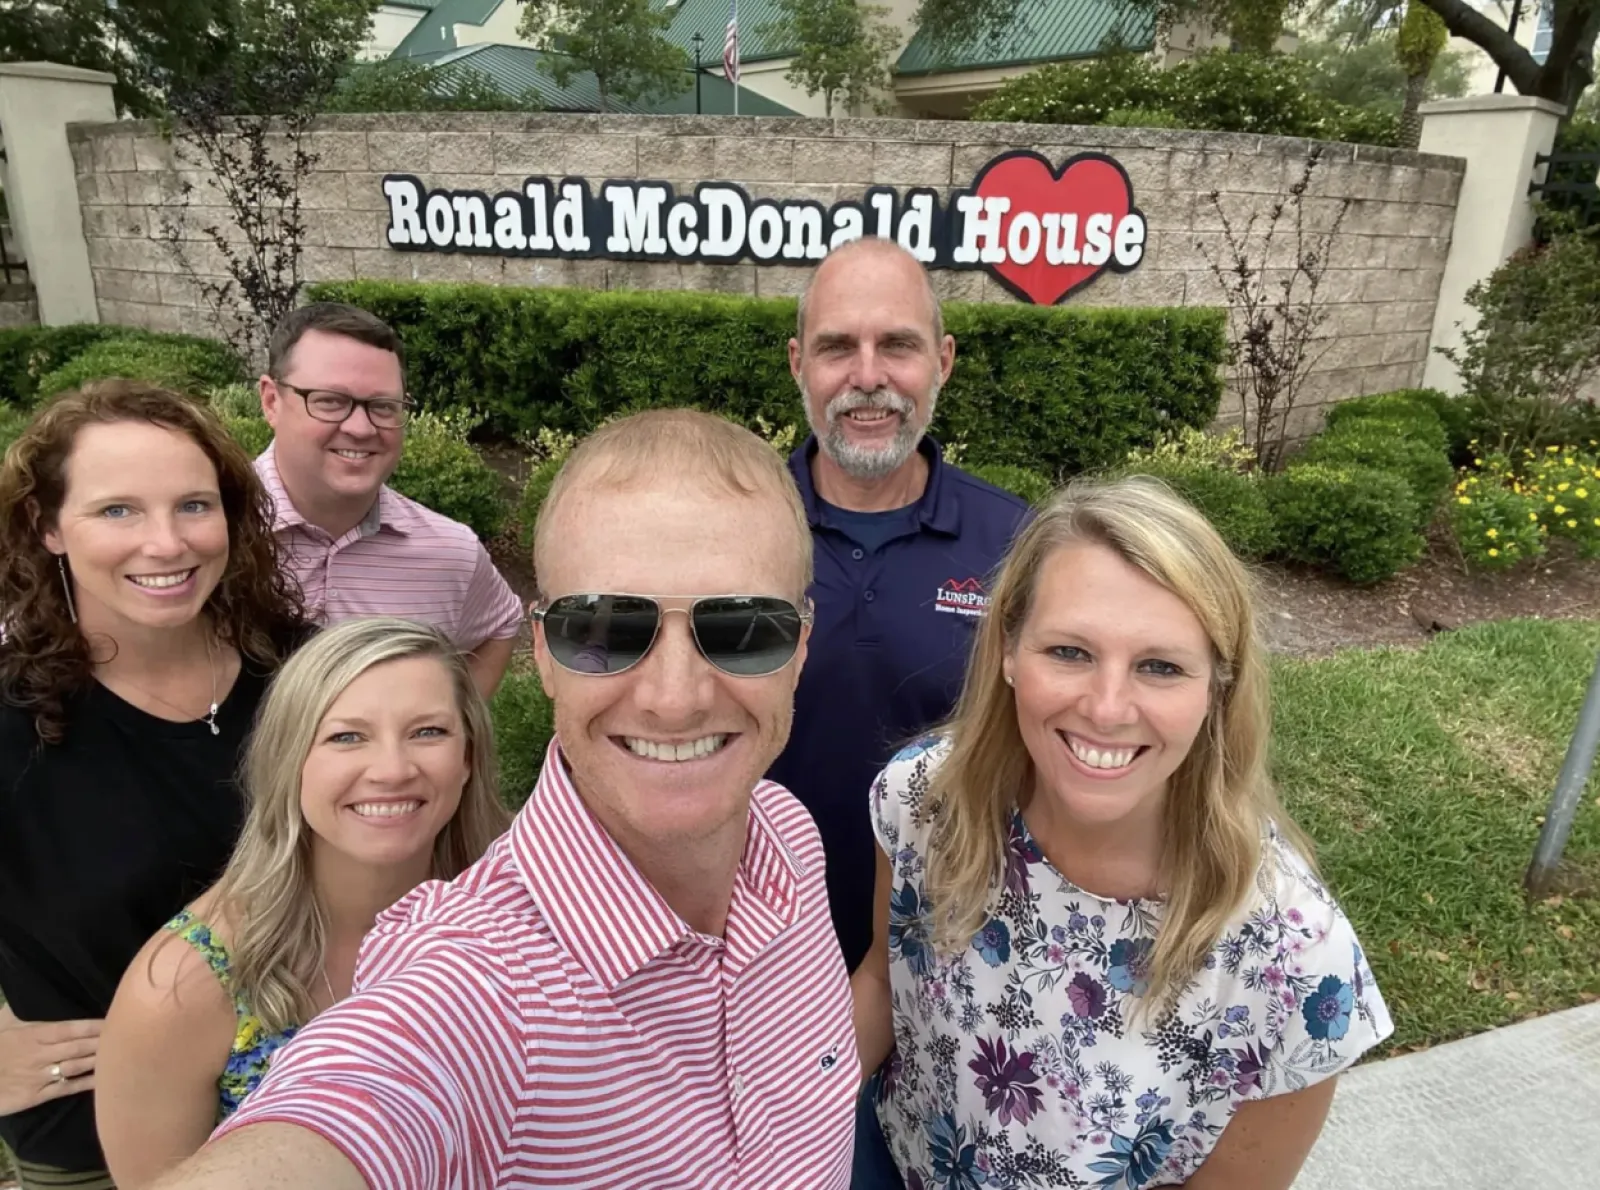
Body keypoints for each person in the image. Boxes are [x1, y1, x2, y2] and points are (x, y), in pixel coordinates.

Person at [148, 410, 859, 1190]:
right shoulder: (475, 987)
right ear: (544, 653)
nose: (675, 699)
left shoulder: (787, 835)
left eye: (744, 627)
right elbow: (354, 1103)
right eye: (608, 627)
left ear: (801, 645)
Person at [851, 475, 1394, 1189]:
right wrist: (774, 1140)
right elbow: (885, 983)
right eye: (1070, 652)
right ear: (1009, 650)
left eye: (1161, 666)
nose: (1107, 709)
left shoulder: (1294, 963)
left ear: (1217, 691)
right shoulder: (924, 798)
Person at [0, 381, 307, 1190]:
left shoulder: (305, 677)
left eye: (193, 506)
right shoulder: (10, 716)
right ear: (47, 526)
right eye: (118, 511)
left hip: (313, 1112)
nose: (167, 543)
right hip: (99, 1137)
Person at [96, 616, 511, 1187]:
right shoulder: (181, 988)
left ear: (468, 757)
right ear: (288, 759)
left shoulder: (528, 912)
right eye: (346, 736)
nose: (392, 769)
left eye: (428, 732)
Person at [770, 236, 1031, 974]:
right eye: (836, 348)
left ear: (942, 362)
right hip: (759, 941)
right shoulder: (737, 527)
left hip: (955, 949)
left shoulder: (1017, 543)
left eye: (897, 345)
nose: (867, 376)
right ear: (798, 365)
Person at [256, 301, 522, 695]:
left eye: (383, 406)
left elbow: (502, 623)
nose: (361, 428)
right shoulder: (209, 531)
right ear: (271, 401)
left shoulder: (449, 553)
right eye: (331, 401)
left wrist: (457, 730)